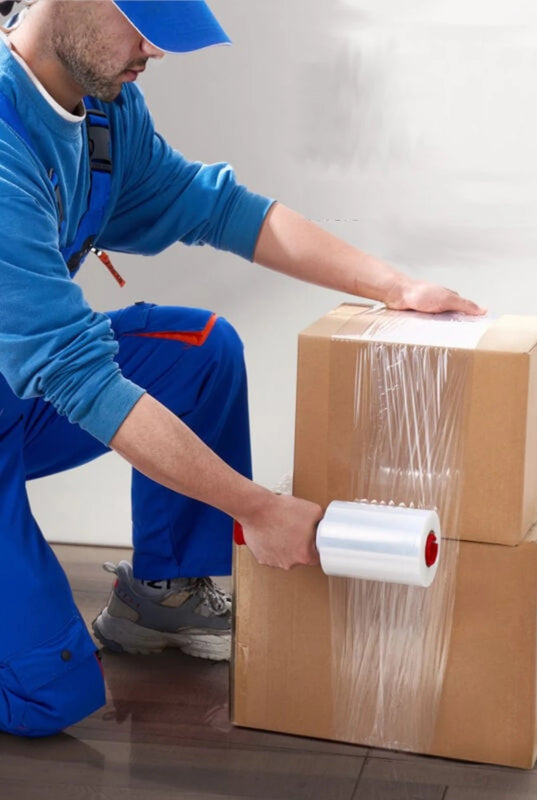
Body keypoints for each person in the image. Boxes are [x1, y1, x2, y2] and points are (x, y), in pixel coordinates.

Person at [0, 0, 484, 738]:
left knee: (200, 351)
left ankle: (162, 597)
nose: (155, 52)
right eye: (143, 26)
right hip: (37, 383)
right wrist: (255, 509)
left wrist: (395, 288)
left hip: (13, 393)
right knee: (47, 698)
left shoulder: (101, 114)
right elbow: (84, 381)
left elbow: (221, 208)